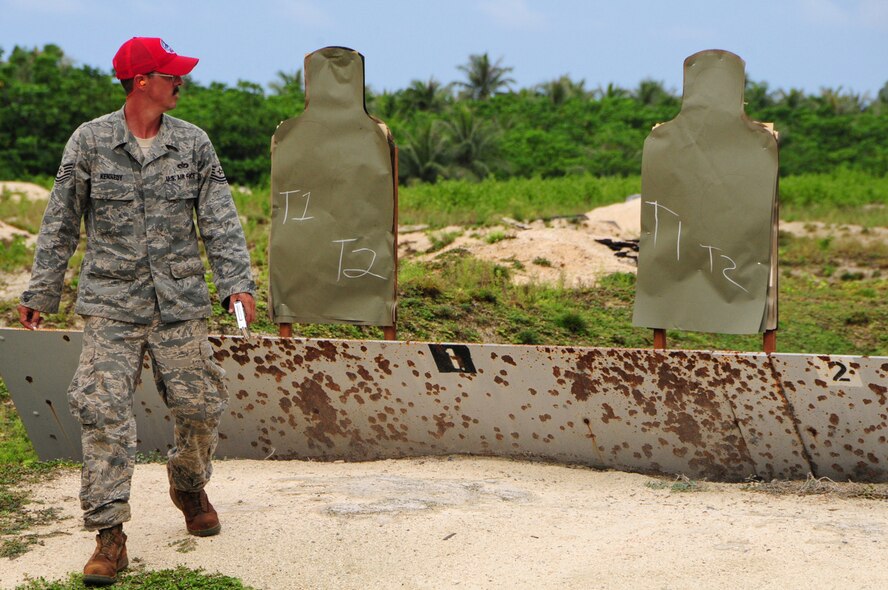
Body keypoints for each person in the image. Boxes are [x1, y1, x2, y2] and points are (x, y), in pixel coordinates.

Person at [17, 37, 256, 586]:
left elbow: (219, 219)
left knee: (199, 407)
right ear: (141, 81)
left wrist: (236, 283)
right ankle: (109, 535)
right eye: (170, 75)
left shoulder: (194, 144)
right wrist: (41, 291)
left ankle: (190, 485)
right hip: (110, 304)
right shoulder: (90, 142)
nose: (181, 81)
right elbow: (61, 221)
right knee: (103, 415)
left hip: (181, 304)